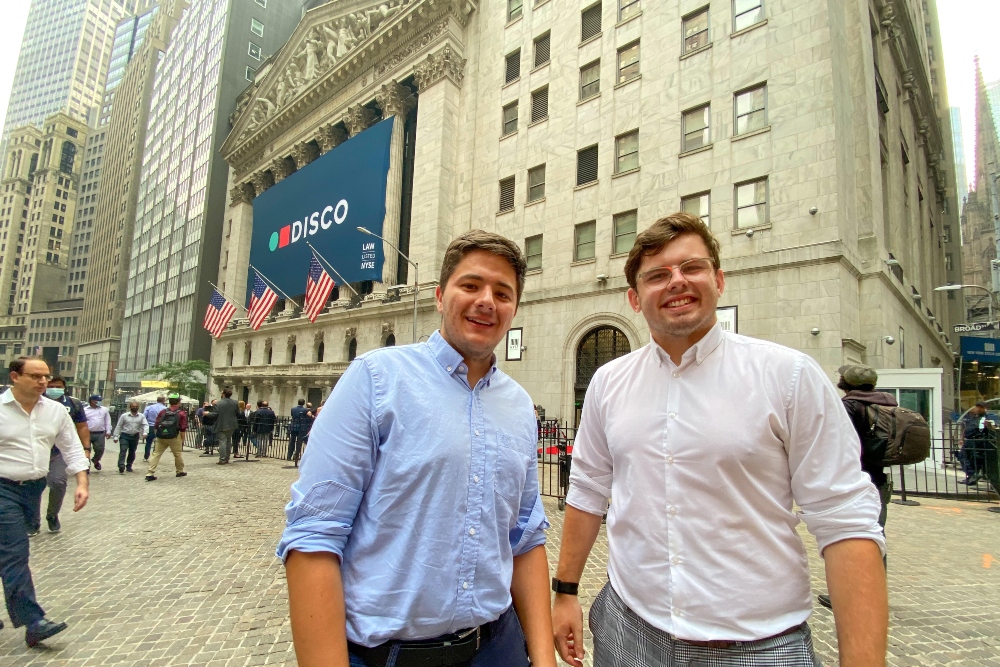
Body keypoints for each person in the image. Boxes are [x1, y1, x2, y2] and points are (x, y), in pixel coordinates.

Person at [551, 213, 887, 667]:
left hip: (759, 646)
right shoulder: (609, 382)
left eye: (691, 267)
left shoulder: (788, 377)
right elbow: (589, 487)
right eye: (657, 275)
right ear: (635, 298)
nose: (676, 281)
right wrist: (566, 592)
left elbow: (845, 521)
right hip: (628, 629)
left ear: (719, 279)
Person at [279, 230, 554, 667]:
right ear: (440, 297)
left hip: (498, 648)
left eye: (503, 292)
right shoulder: (375, 379)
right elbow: (314, 536)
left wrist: (543, 658)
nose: (487, 300)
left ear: (514, 308)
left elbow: (525, 536)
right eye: (471, 285)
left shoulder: (519, 405)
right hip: (388, 656)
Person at [1, 357, 90, 646]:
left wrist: (82, 481)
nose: (43, 382)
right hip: (2, 488)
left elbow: (71, 446)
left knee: (6, 551)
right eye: (35, 376)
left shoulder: (55, 411)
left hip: (33, 488)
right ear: (15, 376)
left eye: (46, 377)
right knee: (16, 551)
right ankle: (33, 621)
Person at [816, 365, 897, 609]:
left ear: (847, 382)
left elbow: (837, 441)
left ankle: (853, 593)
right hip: (878, 479)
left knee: (850, 533)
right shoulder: (887, 403)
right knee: (874, 531)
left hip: (853, 478)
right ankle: (875, 589)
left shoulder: (850, 406)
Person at [29, 376, 90, 536]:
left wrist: (86, 448)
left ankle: (52, 514)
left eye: (58, 386)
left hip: (59, 453)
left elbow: (82, 427)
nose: (54, 389)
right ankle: (33, 521)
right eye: (51, 386)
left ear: (64, 388)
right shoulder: (35, 402)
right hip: (38, 452)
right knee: (34, 487)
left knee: (58, 483)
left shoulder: (72, 404)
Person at [146, 394, 188, 481]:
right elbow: (183, 428)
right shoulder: (181, 413)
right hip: (174, 436)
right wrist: (182, 440)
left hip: (161, 436)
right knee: (177, 454)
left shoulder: (163, 412)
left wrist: (157, 436)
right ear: (178, 402)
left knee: (156, 454)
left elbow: (156, 425)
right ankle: (179, 471)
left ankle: (150, 473)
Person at [959, 402, 993, 485]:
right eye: (977, 407)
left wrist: (988, 426)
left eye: (980, 407)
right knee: (963, 457)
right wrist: (962, 438)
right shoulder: (973, 417)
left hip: (976, 441)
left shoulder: (985, 418)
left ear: (984, 408)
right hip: (968, 440)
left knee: (970, 459)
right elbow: (966, 428)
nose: (978, 409)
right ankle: (971, 476)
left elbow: (987, 429)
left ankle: (972, 475)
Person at [112, 401, 148, 474]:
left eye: (136, 406)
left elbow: (145, 425)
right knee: (123, 450)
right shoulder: (124, 416)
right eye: (133, 406)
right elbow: (119, 426)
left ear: (138, 407)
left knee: (132, 452)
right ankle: (121, 466)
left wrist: (145, 432)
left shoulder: (141, 416)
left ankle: (129, 465)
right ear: (130, 407)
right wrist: (116, 436)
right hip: (125, 435)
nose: (134, 408)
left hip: (135, 436)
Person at [84, 394, 112, 471]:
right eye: (98, 401)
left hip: (100, 433)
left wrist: (108, 431)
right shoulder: (85, 410)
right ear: (92, 401)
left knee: (100, 449)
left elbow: (107, 420)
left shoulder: (104, 410)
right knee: (86, 450)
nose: (100, 402)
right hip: (87, 433)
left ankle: (96, 460)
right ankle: (87, 466)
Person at [214, 389, 240, 464]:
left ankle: (222, 459)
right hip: (232, 424)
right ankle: (227, 458)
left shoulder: (218, 403)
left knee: (222, 441)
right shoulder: (235, 402)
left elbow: (215, 414)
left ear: (223, 394)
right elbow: (238, 413)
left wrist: (206, 414)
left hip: (221, 424)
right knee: (228, 441)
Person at [142, 396, 167, 461]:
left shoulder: (149, 407)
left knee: (148, 442)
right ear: (163, 401)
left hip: (150, 426)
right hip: (160, 427)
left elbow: (144, 416)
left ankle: (146, 457)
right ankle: (154, 456)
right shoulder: (165, 409)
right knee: (157, 442)